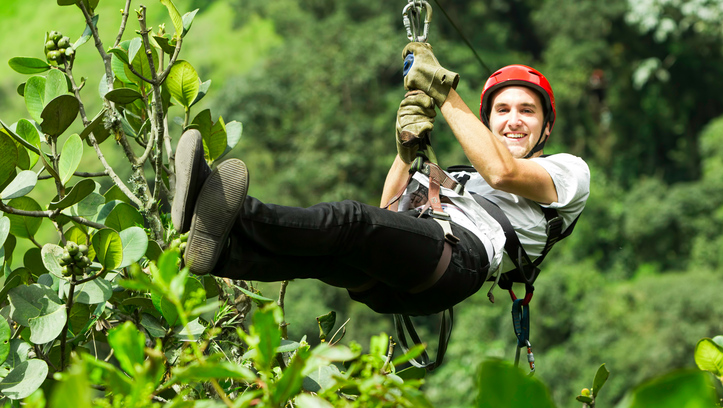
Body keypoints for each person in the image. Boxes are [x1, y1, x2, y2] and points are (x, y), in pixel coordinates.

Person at [172, 43, 589, 317]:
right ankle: (223, 251)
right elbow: (387, 210)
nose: (514, 121)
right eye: (503, 111)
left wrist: (440, 89)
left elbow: (504, 172)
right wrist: (406, 152)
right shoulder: (463, 176)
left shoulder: (568, 173)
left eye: (527, 111)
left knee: (349, 221)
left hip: (460, 261)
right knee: (329, 252)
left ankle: (226, 206)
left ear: (546, 128)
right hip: (419, 271)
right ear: (488, 122)